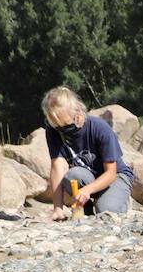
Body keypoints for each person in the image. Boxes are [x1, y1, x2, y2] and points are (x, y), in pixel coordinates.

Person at [40, 86, 133, 219]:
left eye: (66, 126)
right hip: (87, 176)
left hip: (115, 176)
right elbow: (57, 168)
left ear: (77, 112)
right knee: (72, 175)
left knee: (106, 211)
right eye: (57, 127)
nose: (62, 131)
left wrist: (87, 190)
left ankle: (117, 199)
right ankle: (86, 208)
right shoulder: (53, 130)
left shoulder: (100, 128)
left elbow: (111, 173)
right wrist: (57, 209)